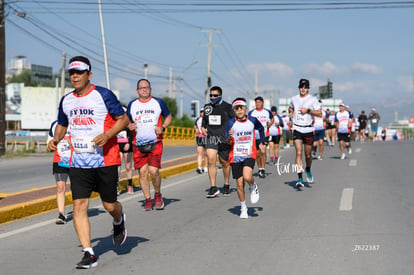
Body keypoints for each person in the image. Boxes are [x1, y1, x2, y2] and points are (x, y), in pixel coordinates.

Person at [47, 56, 129, 269]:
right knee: (79, 205)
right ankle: (89, 252)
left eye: (79, 72)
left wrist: (108, 135)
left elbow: (123, 119)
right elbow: (62, 125)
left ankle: (119, 221)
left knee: (110, 205)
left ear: (89, 75)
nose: (75, 76)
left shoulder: (103, 95)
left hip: (106, 160)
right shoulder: (67, 100)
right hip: (78, 162)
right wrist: (55, 139)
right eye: (72, 73)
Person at [127, 79, 172, 211]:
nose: (144, 90)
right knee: (142, 172)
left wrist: (163, 127)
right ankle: (147, 199)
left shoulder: (158, 102)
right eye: (141, 88)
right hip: (138, 143)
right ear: (137, 91)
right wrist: (129, 125)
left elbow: (168, 117)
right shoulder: (132, 104)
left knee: (153, 171)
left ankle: (157, 195)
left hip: (155, 142)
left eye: (146, 88)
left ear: (150, 90)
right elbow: (126, 121)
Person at [225, 98, 265, 219]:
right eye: (236, 109)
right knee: (239, 183)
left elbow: (261, 129)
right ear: (234, 111)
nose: (239, 110)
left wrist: (262, 143)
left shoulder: (252, 120)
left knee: (247, 176)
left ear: (245, 109)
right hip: (236, 155)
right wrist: (229, 137)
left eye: (241, 108)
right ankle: (243, 207)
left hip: (249, 153)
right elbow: (227, 141)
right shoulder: (230, 123)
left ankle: (253, 186)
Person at [201, 86, 235, 198]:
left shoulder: (228, 107)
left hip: (224, 139)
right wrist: (203, 128)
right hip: (212, 137)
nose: (212, 97)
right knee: (211, 160)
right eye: (211, 95)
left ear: (220, 95)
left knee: (224, 162)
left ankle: (226, 184)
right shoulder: (207, 107)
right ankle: (213, 187)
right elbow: (204, 121)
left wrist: (231, 134)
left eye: (215, 95)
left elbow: (234, 121)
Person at [288, 79, 322, 188]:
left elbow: (320, 113)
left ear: (308, 88)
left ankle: (308, 169)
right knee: (298, 153)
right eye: (301, 87)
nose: (303, 89)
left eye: (305, 87)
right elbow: (290, 107)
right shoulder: (294, 99)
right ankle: (299, 178)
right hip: (297, 128)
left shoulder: (312, 100)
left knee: (307, 155)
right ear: (299, 88)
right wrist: (291, 113)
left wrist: (308, 111)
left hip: (308, 129)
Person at [47, 120, 70, 224]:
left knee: (78, 188)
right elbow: (49, 144)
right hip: (60, 160)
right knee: (60, 187)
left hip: (77, 160)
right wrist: (50, 146)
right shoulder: (55, 124)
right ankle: (61, 214)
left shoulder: (78, 123)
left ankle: (80, 213)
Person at [248, 96, 273, 178]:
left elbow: (272, 119)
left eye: (259, 102)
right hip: (255, 135)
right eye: (256, 102)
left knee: (263, 151)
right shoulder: (251, 112)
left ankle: (263, 168)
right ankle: (259, 168)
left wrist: (269, 125)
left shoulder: (267, 112)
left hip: (264, 134)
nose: (257, 104)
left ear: (262, 103)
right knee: (257, 154)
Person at [116, 113, 135, 194]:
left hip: (127, 146)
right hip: (118, 146)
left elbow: (132, 134)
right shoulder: (115, 123)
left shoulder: (128, 122)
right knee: (117, 168)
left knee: (128, 166)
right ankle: (116, 188)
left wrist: (129, 143)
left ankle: (130, 186)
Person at [194, 108, 208, 174]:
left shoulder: (207, 119)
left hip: (206, 137)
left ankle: (205, 167)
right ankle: (199, 167)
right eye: (201, 112)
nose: (202, 113)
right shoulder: (197, 119)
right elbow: (195, 126)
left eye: (204, 112)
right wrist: (196, 129)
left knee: (206, 153)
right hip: (199, 137)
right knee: (199, 152)